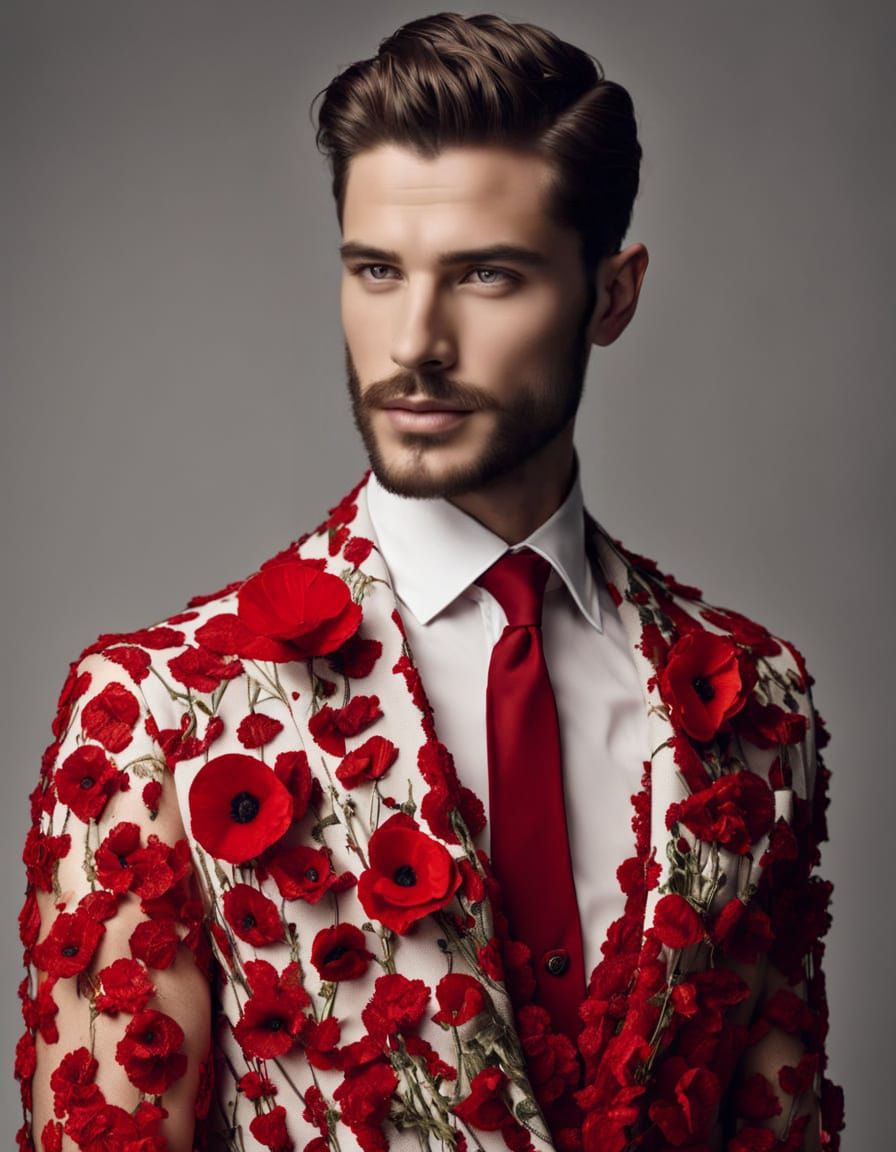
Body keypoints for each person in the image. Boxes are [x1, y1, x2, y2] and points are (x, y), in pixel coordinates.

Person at [15, 12, 843, 1152]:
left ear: (611, 296)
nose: (413, 341)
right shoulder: (156, 717)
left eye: (486, 276)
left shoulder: (754, 704)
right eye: (375, 270)